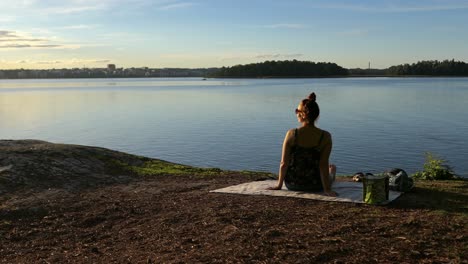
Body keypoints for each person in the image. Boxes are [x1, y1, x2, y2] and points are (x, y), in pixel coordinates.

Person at [267, 92, 337, 196]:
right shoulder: (325, 137)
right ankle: (333, 171)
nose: (296, 113)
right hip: (316, 185)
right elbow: (323, 165)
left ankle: (332, 171)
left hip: (292, 183)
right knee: (332, 169)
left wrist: (279, 185)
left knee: (330, 169)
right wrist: (327, 189)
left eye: (297, 111)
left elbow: (283, 163)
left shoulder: (291, 134)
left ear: (303, 114)